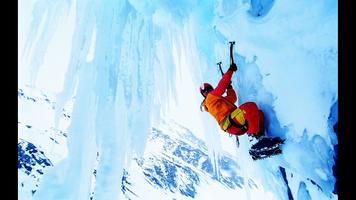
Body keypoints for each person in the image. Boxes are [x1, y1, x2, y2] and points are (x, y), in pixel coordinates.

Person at [200, 63, 265, 139]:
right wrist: (230, 71)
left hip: (234, 123)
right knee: (249, 107)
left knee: (258, 114)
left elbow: (233, 98)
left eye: (209, 89)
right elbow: (221, 87)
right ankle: (253, 136)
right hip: (230, 122)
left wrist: (229, 88)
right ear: (204, 95)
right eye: (204, 91)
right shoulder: (209, 99)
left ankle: (261, 137)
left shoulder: (219, 101)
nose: (207, 91)